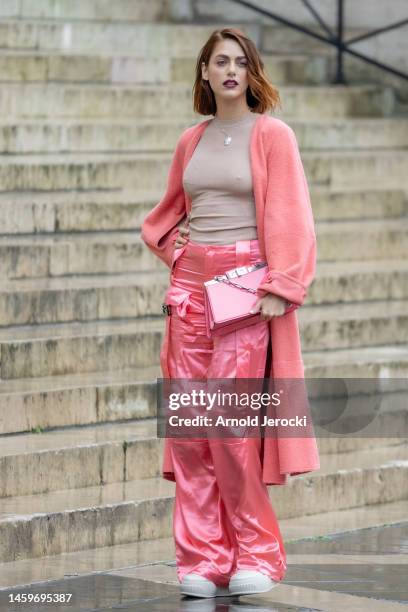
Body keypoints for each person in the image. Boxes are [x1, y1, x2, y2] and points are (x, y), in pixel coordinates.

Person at [141, 27, 320, 599]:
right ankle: (202, 558)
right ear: (204, 72)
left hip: (245, 288)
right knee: (193, 431)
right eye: (220, 61)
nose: (230, 71)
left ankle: (258, 554)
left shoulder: (272, 135)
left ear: (251, 73)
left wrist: (283, 284)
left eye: (240, 62)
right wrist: (177, 255)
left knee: (232, 428)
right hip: (190, 291)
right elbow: (166, 215)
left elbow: (293, 213)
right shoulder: (191, 139)